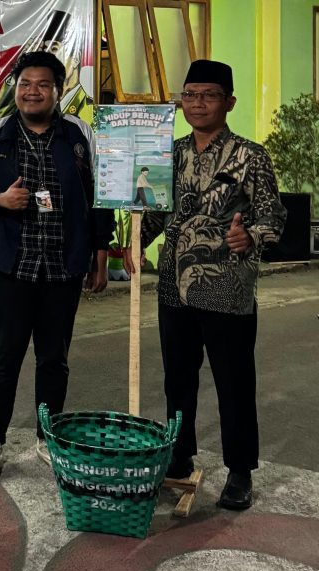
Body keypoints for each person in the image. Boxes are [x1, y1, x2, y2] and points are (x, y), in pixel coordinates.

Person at [125, 60, 285, 510]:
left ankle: (239, 471)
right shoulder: (168, 154)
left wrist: (250, 235)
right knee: (178, 379)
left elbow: (274, 217)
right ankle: (178, 458)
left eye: (209, 95)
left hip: (227, 288)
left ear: (229, 102)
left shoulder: (250, 157)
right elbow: (153, 209)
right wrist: (135, 239)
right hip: (174, 286)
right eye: (190, 94)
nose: (197, 103)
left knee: (234, 380)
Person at [0, 51, 113, 480]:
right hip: (10, 268)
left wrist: (101, 254)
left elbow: (99, 196)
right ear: (15, 88)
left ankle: (49, 439)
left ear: (57, 91)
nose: (32, 91)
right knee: (3, 358)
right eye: (25, 83)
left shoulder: (80, 136)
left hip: (63, 268)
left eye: (42, 84)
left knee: (54, 359)